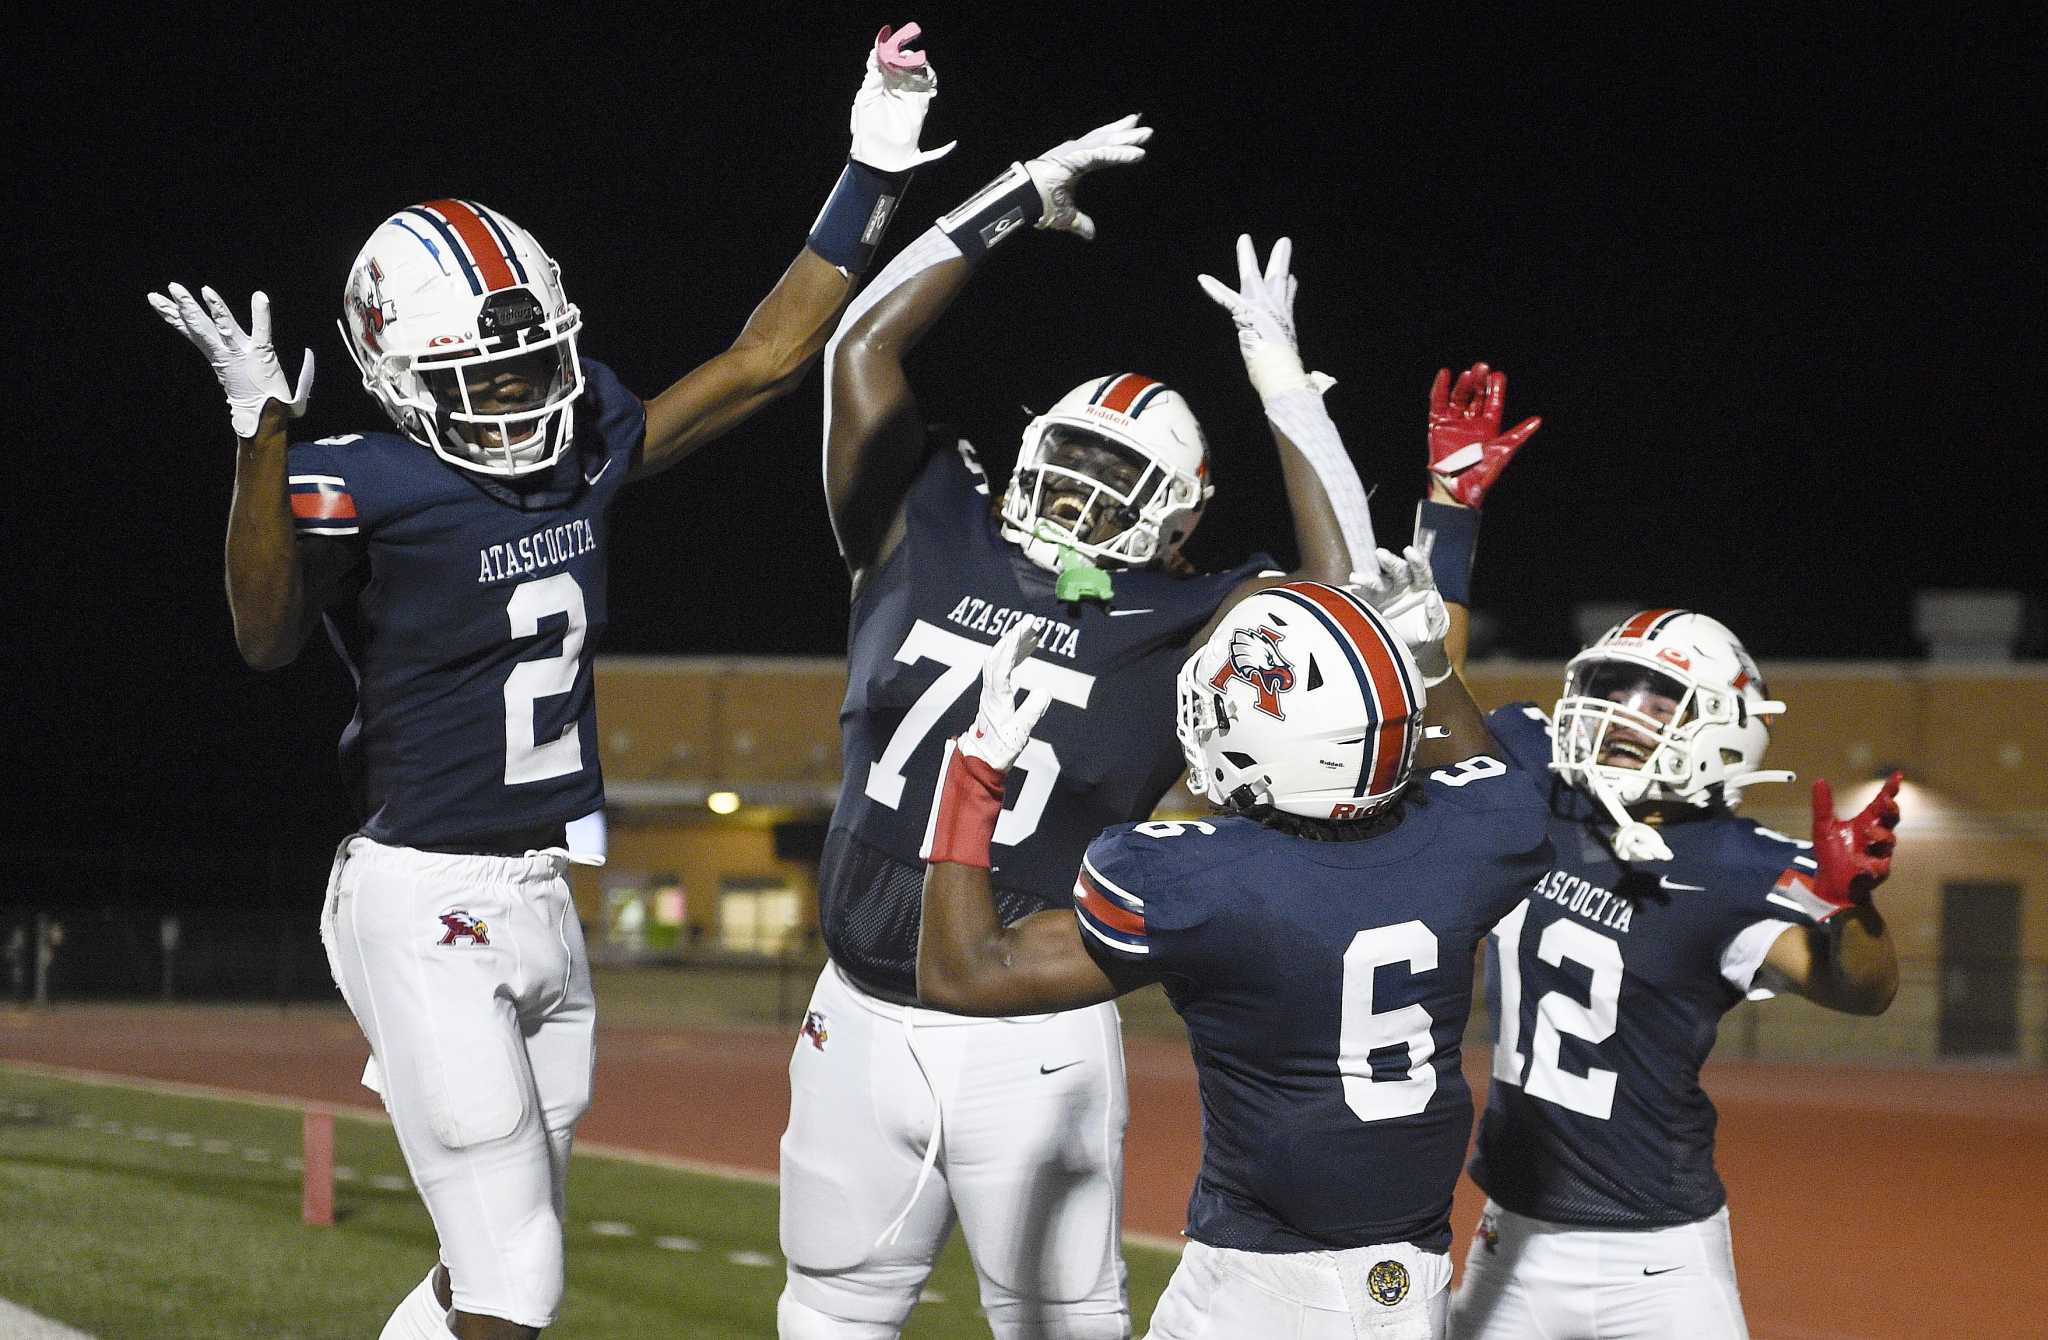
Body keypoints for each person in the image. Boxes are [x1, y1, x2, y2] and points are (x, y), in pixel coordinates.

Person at [147, 25, 949, 1340]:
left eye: (531, 363)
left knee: (489, 1264)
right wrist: (256, 441)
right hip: (421, 894)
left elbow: (764, 354)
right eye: (486, 373)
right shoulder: (364, 481)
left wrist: (871, 168)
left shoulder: (584, 445)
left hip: (540, 891)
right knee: (521, 1283)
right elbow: (264, 635)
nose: (521, 394)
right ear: (400, 377)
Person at [779, 126, 1380, 1338]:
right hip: (853, 1004)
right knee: (830, 1314)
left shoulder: (1193, 614)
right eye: (1073, 457)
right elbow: (861, 341)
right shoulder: (925, 521)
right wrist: (1009, 200)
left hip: (1031, 1027)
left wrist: (1279, 386)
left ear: (1180, 515)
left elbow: (1348, 594)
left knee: (1062, 1326)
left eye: (1120, 475)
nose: (1083, 492)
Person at [915, 560, 1555, 1340]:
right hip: (1355, 1269)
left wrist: (972, 776)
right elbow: (1475, 769)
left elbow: (962, 972)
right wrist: (1429, 662)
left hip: (1292, 1287)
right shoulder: (1473, 835)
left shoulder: (1210, 883)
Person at [1407, 365, 1904, 1340]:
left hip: (1659, 1254)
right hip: (1512, 1232)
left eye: (1654, 699)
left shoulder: (1734, 861)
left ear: (1723, 728)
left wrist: (1855, 906)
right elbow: (1429, 687)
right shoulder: (1538, 784)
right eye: (1612, 687)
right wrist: (1447, 510)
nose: (1617, 716)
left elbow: (1857, 988)